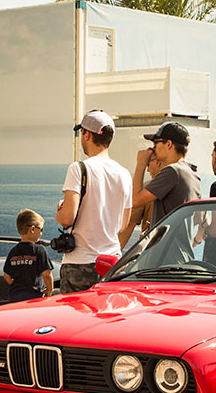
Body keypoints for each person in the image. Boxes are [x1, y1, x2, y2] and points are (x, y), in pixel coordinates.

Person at [55, 110, 132, 294]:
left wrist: (60, 210)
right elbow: (123, 225)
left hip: (79, 263)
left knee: (75, 321)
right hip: (111, 263)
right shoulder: (124, 174)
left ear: (87, 134)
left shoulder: (79, 168)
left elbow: (67, 219)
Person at [130, 121, 200, 226]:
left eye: (156, 143)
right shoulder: (191, 172)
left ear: (168, 144)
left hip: (170, 243)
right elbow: (197, 219)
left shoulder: (173, 171)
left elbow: (134, 201)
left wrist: (141, 163)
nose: (153, 148)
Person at [3, 209, 54, 302]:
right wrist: (50, 290)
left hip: (14, 296)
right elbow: (46, 274)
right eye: (41, 229)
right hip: (33, 297)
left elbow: (6, 275)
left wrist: (15, 285)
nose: (41, 233)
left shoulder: (13, 251)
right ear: (32, 229)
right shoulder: (39, 250)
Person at [117, 154, 163, 250]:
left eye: (148, 165)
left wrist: (114, 254)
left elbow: (130, 224)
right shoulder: (184, 183)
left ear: (157, 163)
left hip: (152, 251)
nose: (148, 170)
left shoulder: (145, 190)